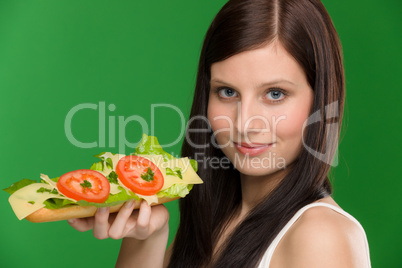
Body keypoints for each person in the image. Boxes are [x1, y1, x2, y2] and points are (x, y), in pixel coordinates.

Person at [68, 0, 371, 267]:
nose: (245, 123)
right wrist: (147, 237)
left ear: (320, 100)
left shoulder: (320, 236)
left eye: (275, 94)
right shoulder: (218, 223)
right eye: (227, 91)